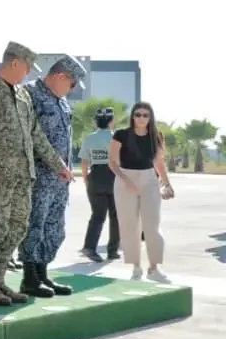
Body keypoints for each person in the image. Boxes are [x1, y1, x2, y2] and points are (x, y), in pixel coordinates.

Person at [0, 43, 71, 305]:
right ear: (15, 63)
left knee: (17, 228)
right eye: (27, 68)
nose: (29, 74)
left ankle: (1, 281)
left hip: (22, 176)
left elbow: (36, 136)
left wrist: (58, 165)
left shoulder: (23, 95)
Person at [22, 55, 85, 296]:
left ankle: (43, 274)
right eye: (72, 84)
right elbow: (30, 136)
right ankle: (29, 278)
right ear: (60, 76)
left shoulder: (61, 101)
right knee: (34, 226)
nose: (73, 89)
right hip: (39, 176)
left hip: (60, 179)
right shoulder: (29, 95)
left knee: (54, 228)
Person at [109, 102, 173, 281]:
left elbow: (158, 163)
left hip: (149, 180)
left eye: (146, 115)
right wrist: (126, 181)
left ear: (150, 117)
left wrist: (167, 184)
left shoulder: (157, 136)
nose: (142, 118)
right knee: (130, 225)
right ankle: (136, 267)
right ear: (133, 116)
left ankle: (154, 268)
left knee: (152, 224)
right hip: (125, 179)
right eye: (138, 114)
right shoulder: (121, 134)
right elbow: (112, 162)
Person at [79, 107, 121, 262]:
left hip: (95, 176)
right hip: (113, 176)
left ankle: (89, 247)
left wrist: (86, 179)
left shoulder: (89, 138)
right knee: (116, 216)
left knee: (97, 216)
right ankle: (112, 250)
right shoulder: (116, 137)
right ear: (111, 121)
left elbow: (84, 162)